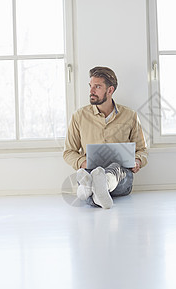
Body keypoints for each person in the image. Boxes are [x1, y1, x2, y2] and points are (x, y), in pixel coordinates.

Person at [63, 66, 148, 209]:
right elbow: (68, 152)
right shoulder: (79, 116)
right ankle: (97, 191)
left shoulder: (130, 116)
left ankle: (91, 188)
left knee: (114, 169)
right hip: (90, 170)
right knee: (88, 175)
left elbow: (142, 150)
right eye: (90, 86)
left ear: (110, 90)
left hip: (121, 176)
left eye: (97, 87)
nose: (91, 91)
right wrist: (83, 162)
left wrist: (138, 161)